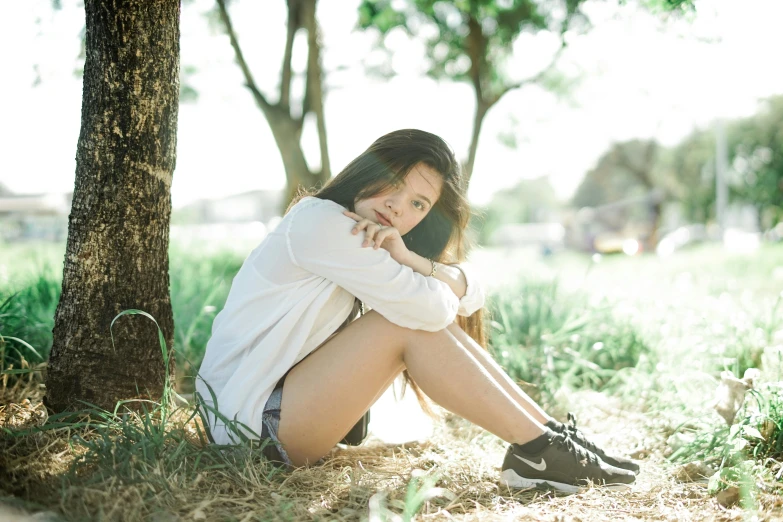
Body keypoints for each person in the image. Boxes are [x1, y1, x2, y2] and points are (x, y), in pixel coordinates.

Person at [195, 129, 639, 494]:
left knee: (407, 314)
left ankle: (549, 439)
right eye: (393, 184)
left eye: (417, 205)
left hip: (275, 414)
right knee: (400, 320)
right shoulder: (322, 223)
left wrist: (414, 261)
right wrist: (424, 277)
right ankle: (540, 449)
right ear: (369, 169)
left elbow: (473, 291)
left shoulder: (378, 237)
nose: (396, 206)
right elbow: (432, 309)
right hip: (250, 427)